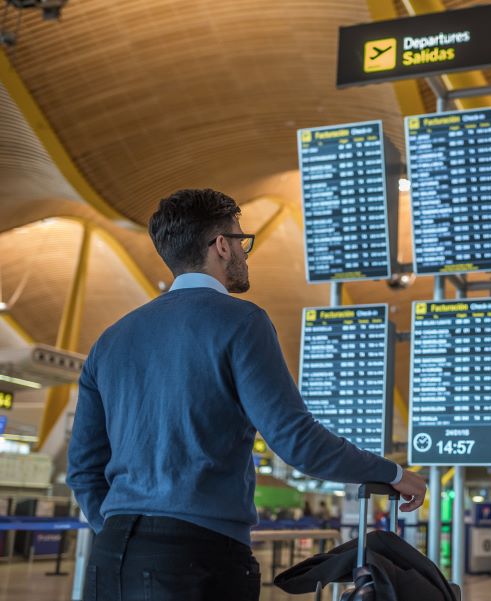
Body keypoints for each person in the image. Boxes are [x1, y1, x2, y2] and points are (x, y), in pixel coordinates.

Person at [67, 189, 427, 601]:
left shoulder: (110, 340)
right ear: (221, 246)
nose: (244, 252)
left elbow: (82, 468)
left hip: (110, 556)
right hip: (197, 557)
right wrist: (393, 474)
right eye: (241, 240)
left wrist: (118, 529)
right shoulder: (242, 322)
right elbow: (298, 442)